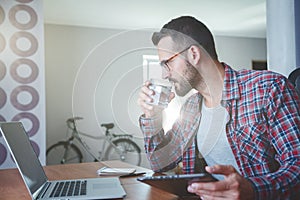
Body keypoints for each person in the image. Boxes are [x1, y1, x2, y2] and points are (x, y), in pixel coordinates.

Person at [137, 16, 300, 199]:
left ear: (193, 54)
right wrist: (152, 115)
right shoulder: (191, 108)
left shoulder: (268, 88)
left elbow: (297, 165)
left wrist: (253, 190)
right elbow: (160, 163)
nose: (165, 74)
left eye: (167, 63)